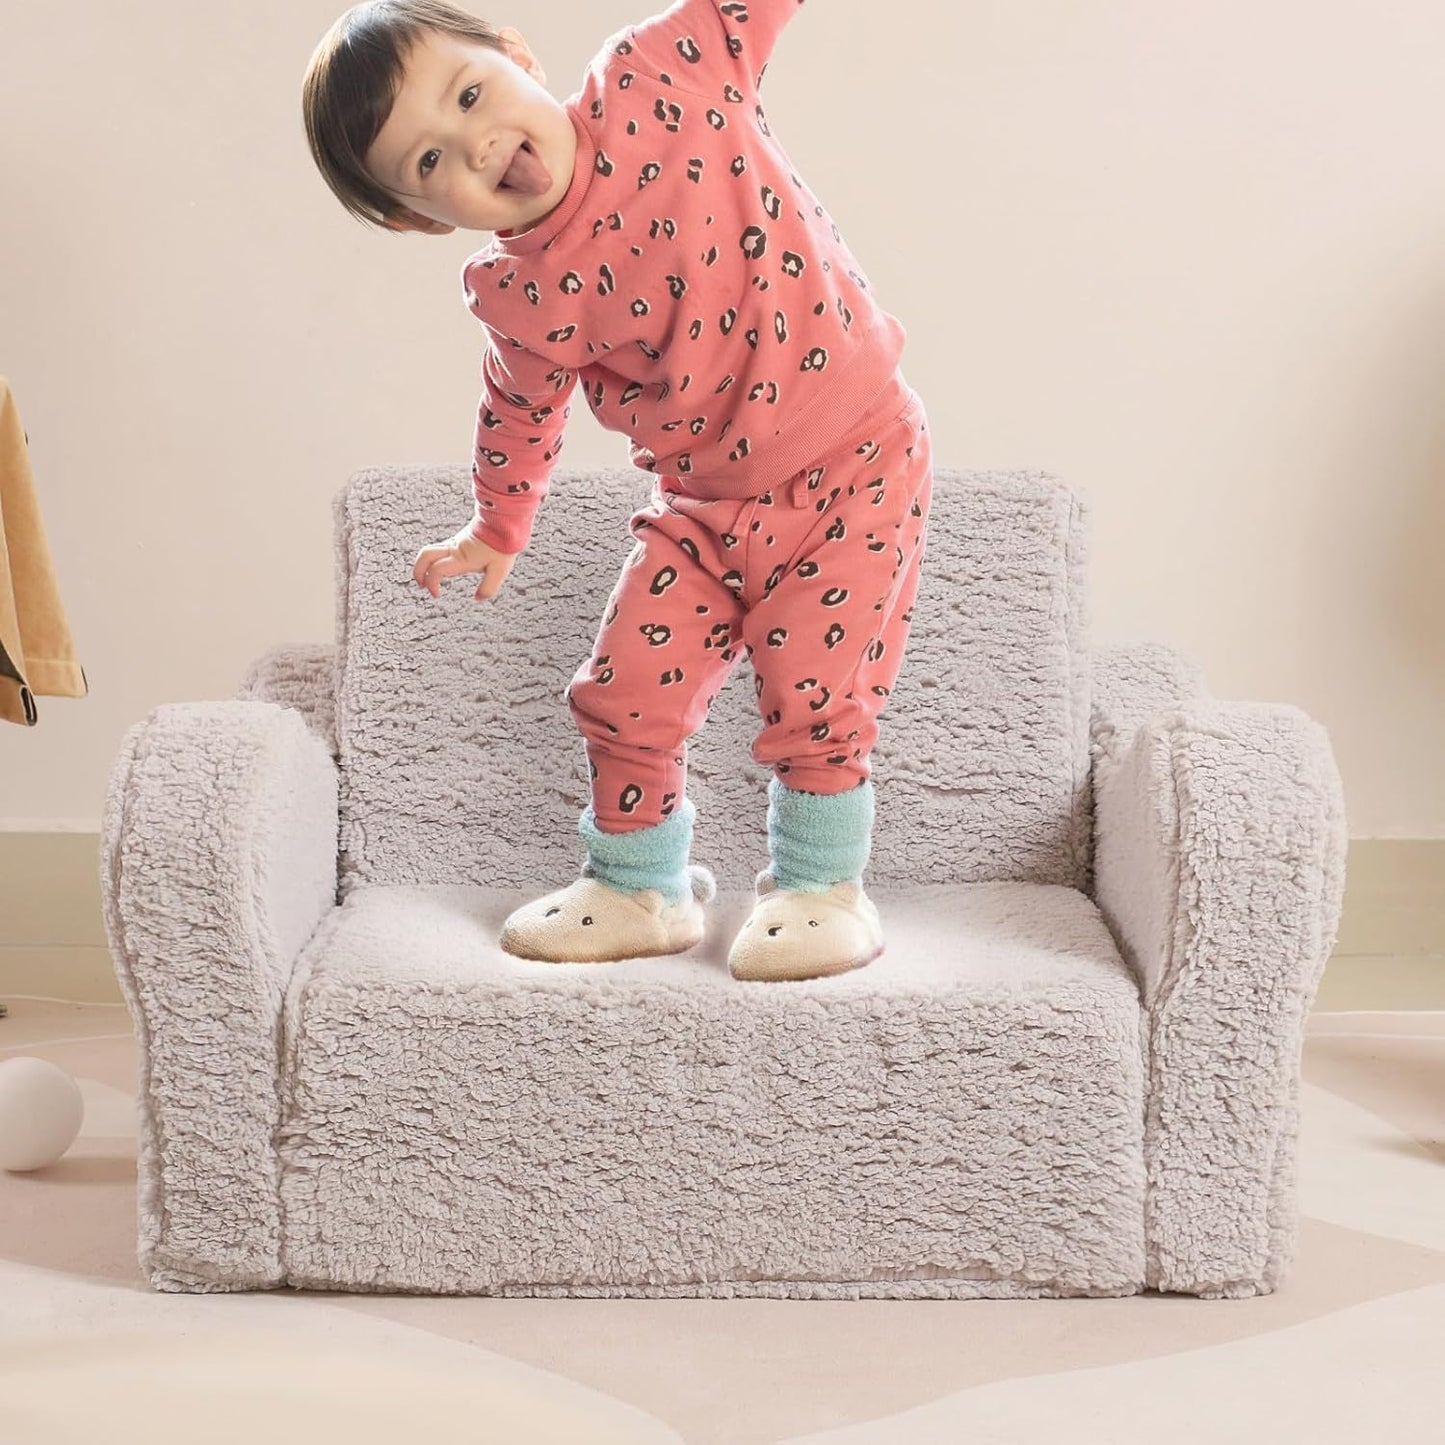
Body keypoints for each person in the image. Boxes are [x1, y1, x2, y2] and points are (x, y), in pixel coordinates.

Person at [301, 0, 934, 982]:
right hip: (701, 505)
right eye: (429, 163)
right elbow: (517, 415)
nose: (476, 145)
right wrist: (494, 527)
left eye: (471, 95)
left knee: (816, 687)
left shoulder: (661, 68)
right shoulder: (521, 294)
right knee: (624, 686)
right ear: (416, 217)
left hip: (851, 456)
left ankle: (818, 887)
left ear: (514, 54)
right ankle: (637, 886)